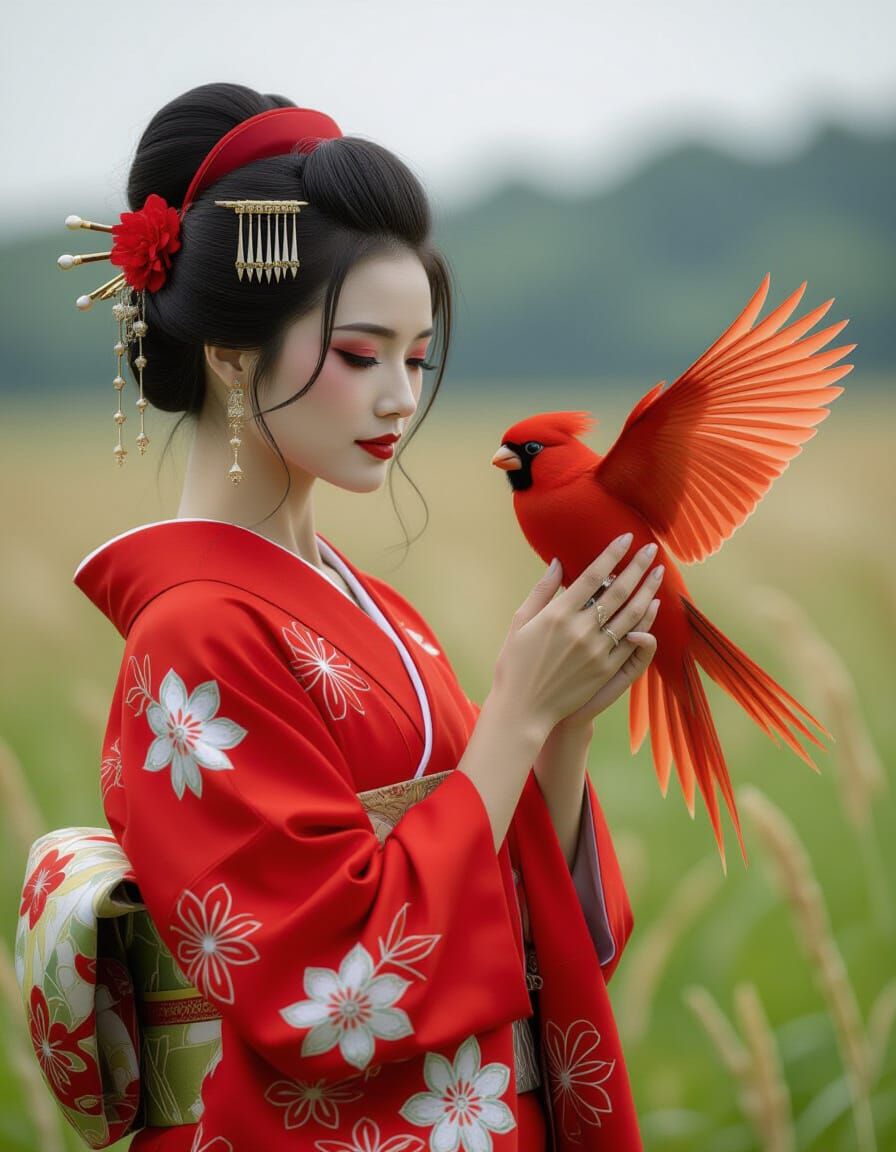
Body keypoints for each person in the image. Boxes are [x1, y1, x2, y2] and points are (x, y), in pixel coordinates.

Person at [25, 83, 665, 1151]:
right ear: (231, 358)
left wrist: (560, 726)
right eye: (361, 354)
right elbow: (328, 994)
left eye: (416, 359)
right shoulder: (191, 636)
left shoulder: (369, 609)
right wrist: (509, 717)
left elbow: (527, 917)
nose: (399, 401)